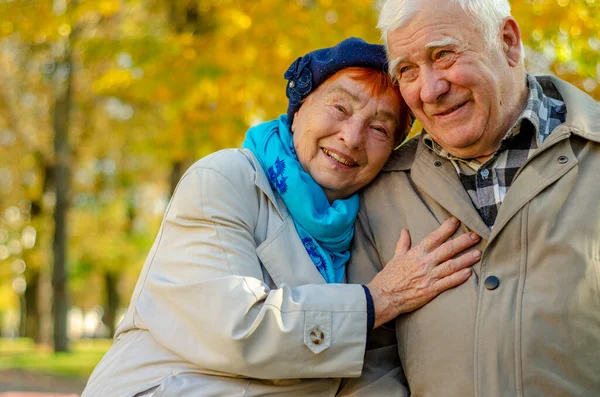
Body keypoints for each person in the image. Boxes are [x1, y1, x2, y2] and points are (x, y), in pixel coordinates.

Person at [81, 37, 481, 397]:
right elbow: (239, 330)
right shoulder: (225, 179)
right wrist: (381, 298)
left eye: (380, 129)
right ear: (300, 105)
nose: (352, 136)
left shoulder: (366, 224)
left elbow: (364, 373)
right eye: (340, 107)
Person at [347, 0, 600, 396]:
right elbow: (366, 365)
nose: (429, 90)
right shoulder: (379, 191)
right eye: (407, 70)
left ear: (508, 41)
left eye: (443, 54)